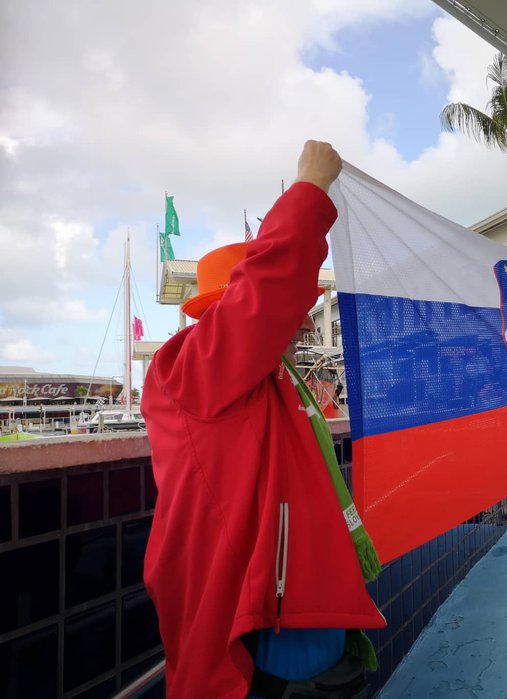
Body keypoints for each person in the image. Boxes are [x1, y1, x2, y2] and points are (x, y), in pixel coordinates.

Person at [142, 141, 386, 696]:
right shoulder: (190, 363)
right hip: (252, 607)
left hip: (274, 601)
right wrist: (310, 188)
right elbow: (267, 288)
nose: (298, 324)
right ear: (229, 310)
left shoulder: (264, 375)